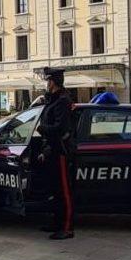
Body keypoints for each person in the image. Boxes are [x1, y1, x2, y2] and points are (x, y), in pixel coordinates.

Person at [36, 67, 75, 240]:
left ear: (54, 82)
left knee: (63, 191)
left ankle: (66, 228)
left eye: (49, 80)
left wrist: (42, 129)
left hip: (60, 151)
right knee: (55, 190)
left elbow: (60, 128)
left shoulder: (62, 101)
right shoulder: (53, 100)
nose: (47, 83)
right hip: (52, 150)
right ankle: (56, 222)